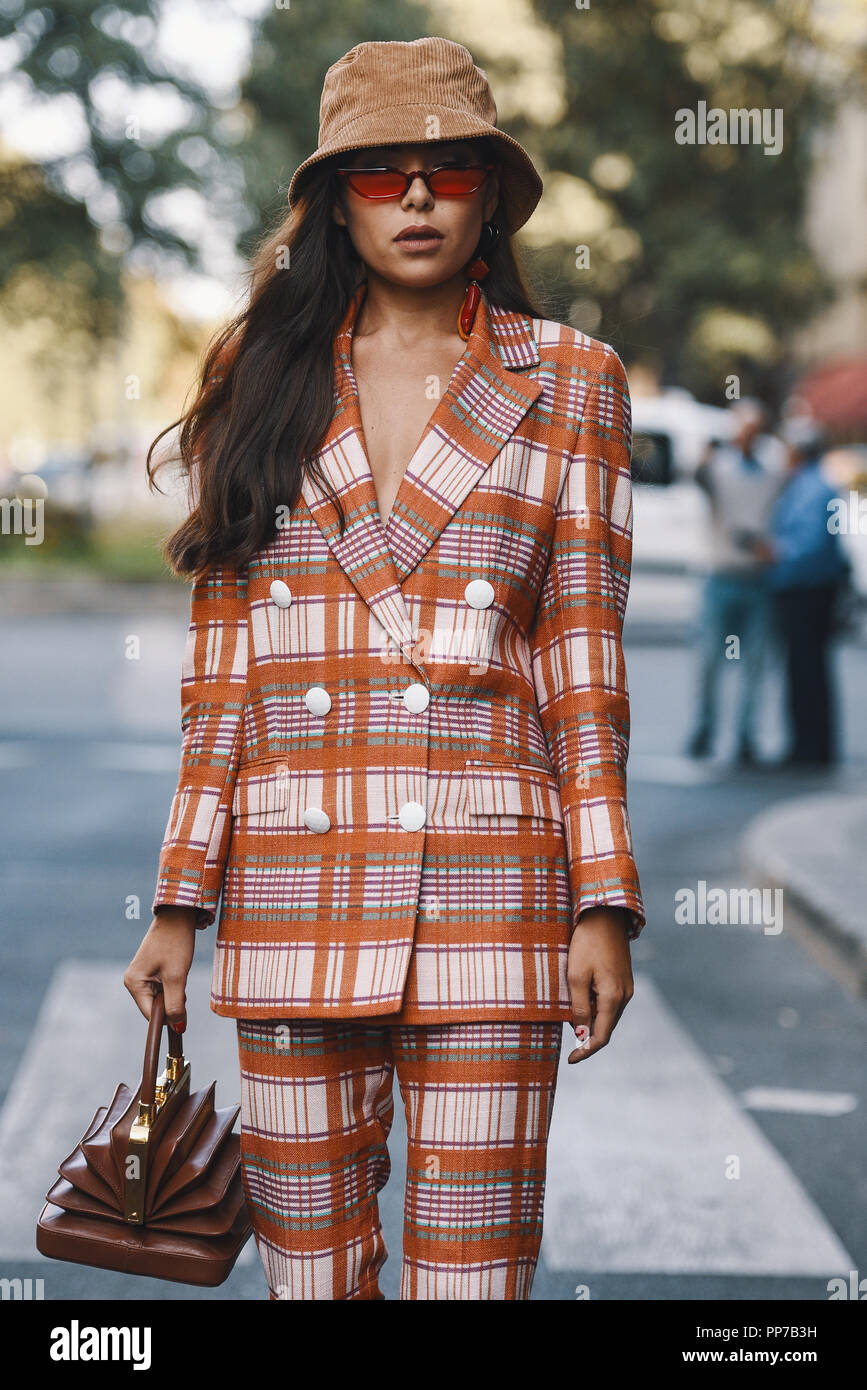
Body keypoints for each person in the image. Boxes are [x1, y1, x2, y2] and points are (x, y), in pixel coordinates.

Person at [125, 37, 646, 1301]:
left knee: (473, 1280)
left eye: (446, 170)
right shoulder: (260, 376)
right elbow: (225, 676)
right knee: (313, 1281)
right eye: (379, 175)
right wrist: (178, 900)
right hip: (295, 883)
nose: (415, 199)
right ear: (333, 202)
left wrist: (603, 901)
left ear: (488, 196)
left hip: (494, 894)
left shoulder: (573, 381)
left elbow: (585, 657)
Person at [686, 398, 786, 764]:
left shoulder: (772, 466)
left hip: (758, 578)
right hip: (721, 574)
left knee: (754, 662)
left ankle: (745, 735)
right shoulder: (718, 467)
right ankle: (705, 728)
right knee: (711, 659)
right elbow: (699, 476)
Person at [760, 416, 849, 766]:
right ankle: (809, 744)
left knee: (807, 669)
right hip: (804, 587)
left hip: (808, 589)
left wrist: (775, 551)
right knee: (806, 669)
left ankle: (811, 748)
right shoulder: (809, 484)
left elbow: (811, 542)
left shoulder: (814, 488)